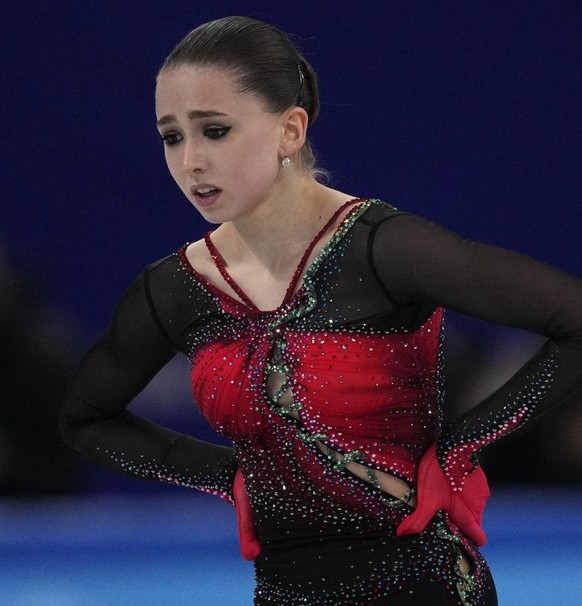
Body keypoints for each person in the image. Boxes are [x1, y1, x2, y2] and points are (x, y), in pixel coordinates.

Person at [61, 16, 582, 606]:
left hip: (424, 586)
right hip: (287, 592)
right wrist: (228, 477)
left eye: (215, 130)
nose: (191, 161)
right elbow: (85, 418)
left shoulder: (380, 248)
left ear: (289, 130)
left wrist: (461, 448)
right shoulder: (177, 288)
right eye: (172, 136)